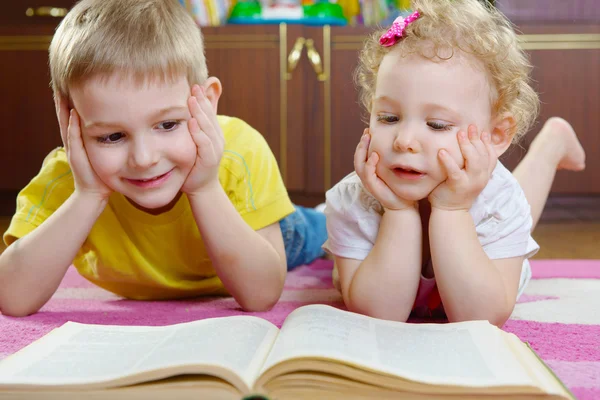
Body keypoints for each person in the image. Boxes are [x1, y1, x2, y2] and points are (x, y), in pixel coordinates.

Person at [0, 0, 326, 317]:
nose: (143, 159)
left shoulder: (238, 151)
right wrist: (88, 195)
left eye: (167, 125)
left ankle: (329, 213)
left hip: (269, 229)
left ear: (208, 103)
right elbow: (12, 298)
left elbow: (262, 295)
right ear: (70, 121)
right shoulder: (66, 177)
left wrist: (205, 187)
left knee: (329, 231)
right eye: (111, 136)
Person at [323, 0, 586, 327]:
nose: (404, 140)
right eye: (388, 117)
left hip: (488, 224)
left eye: (437, 125)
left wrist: (452, 209)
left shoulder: (499, 200)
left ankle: (550, 144)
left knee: (519, 203)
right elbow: (379, 317)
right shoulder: (354, 199)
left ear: (496, 136)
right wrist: (398, 211)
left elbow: (481, 319)